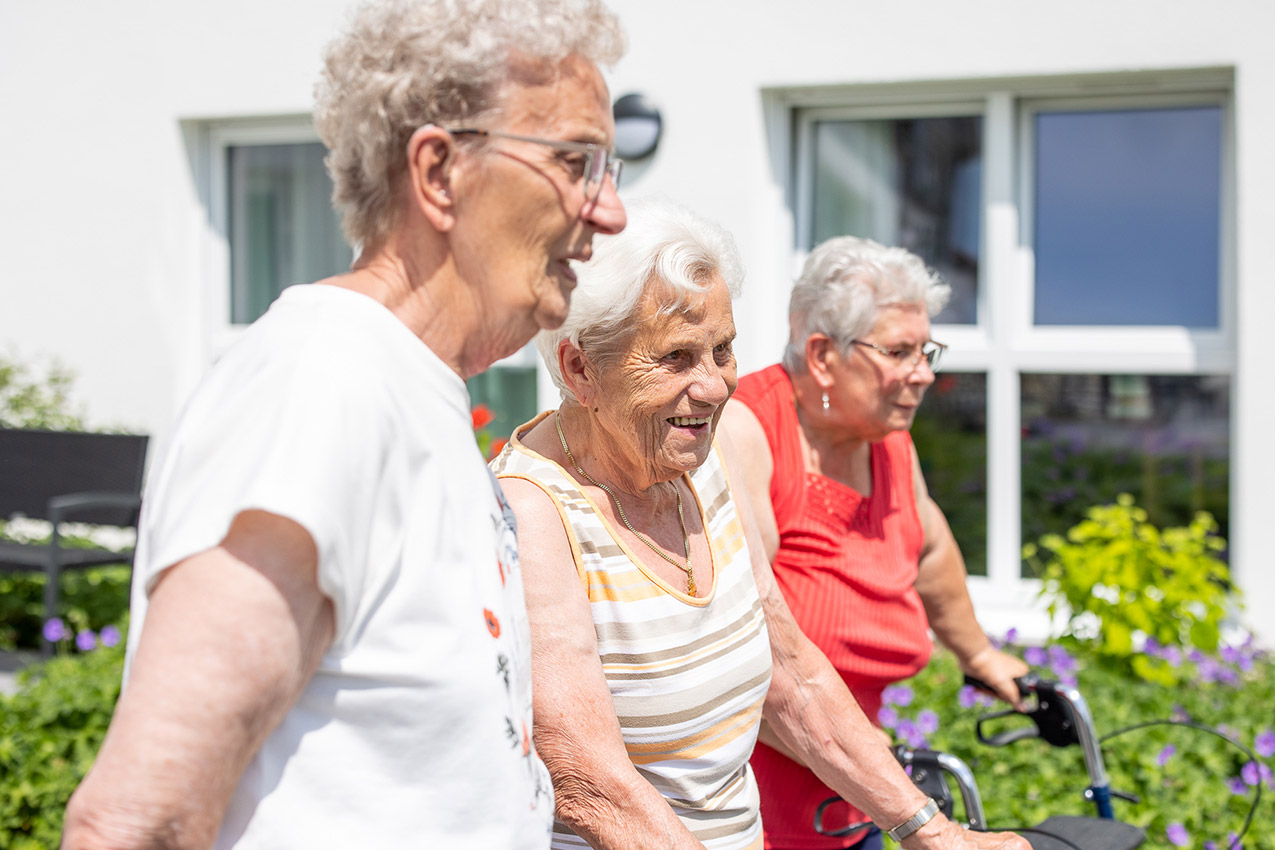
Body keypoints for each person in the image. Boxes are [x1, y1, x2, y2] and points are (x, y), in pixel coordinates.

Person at [61, 1, 626, 847]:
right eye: (575, 162)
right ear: (439, 173)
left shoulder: (401, 385)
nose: (608, 211)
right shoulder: (318, 387)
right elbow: (140, 819)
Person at [491, 197, 1027, 850]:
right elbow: (590, 782)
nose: (715, 385)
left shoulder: (700, 466)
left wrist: (931, 833)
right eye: (677, 358)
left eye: (722, 350)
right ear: (580, 368)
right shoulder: (530, 510)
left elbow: (791, 670)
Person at [718, 236, 1029, 848]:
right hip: (756, 803)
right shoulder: (744, 432)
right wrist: (869, 767)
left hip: (857, 790)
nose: (924, 373)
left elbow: (930, 548)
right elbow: (742, 656)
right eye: (900, 352)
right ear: (823, 355)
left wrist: (980, 657)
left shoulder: (886, 438)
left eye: (927, 350)